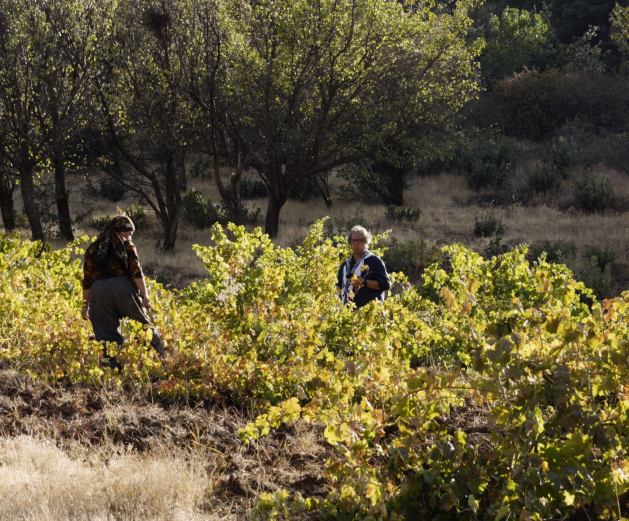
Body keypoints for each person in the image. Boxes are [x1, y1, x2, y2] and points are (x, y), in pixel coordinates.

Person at [81, 215, 164, 365]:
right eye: (129, 232)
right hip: (123, 287)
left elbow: (87, 280)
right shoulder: (127, 247)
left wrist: (85, 305)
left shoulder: (92, 249)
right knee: (142, 325)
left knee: (105, 333)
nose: (131, 236)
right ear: (119, 231)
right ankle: (163, 358)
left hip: (98, 291)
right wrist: (145, 295)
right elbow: (136, 273)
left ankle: (110, 369)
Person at [337, 225, 391, 309]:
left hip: (370, 315)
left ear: (366, 242)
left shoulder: (374, 261)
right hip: (347, 315)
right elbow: (338, 288)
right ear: (350, 243)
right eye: (353, 241)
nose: (356, 243)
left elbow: (386, 284)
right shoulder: (345, 266)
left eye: (360, 240)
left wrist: (364, 282)